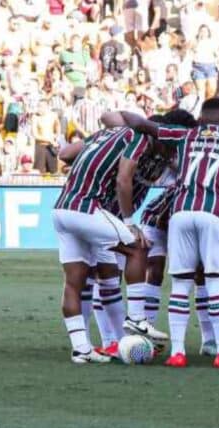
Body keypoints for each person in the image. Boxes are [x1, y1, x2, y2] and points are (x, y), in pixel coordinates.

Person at [110, 98, 219, 368]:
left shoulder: (185, 134)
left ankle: (178, 353)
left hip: (181, 212)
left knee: (180, 284)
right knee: (216, 282)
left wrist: (126, 113)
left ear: (201, 119)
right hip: (214, 212)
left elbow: (142, 124)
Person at [51, 125, 154, 364]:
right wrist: (130, 223)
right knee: (137, 247)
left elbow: (66, 154)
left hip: (60, 209)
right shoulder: (136, 138)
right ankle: (136, 318)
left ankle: (81, 349)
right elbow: (122, 180)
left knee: (74, 282)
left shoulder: (101, 136)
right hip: (86, 208)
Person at [191, 24, 219, 99]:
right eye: (201, 31)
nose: (203, 33)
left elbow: (218, 54)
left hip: (210, 67)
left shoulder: (212, 42)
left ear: (208, 33)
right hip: (198, 67)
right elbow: (191, 53)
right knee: (200, 91)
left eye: (205, 31)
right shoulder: (194, 42)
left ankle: (207, 104)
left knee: (211, 90)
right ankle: (201, 104)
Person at [32, 100, 61, 175]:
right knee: (39, 170)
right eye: (38, 106)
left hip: (51, 146)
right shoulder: (35, 117)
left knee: (53, 170)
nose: (39, 108)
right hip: (40, 145)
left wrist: (56, 135)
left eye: (41, 106)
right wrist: (49, 140)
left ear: (47, 107)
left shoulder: (53, 115)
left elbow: (58, 125)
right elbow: (35, 135)